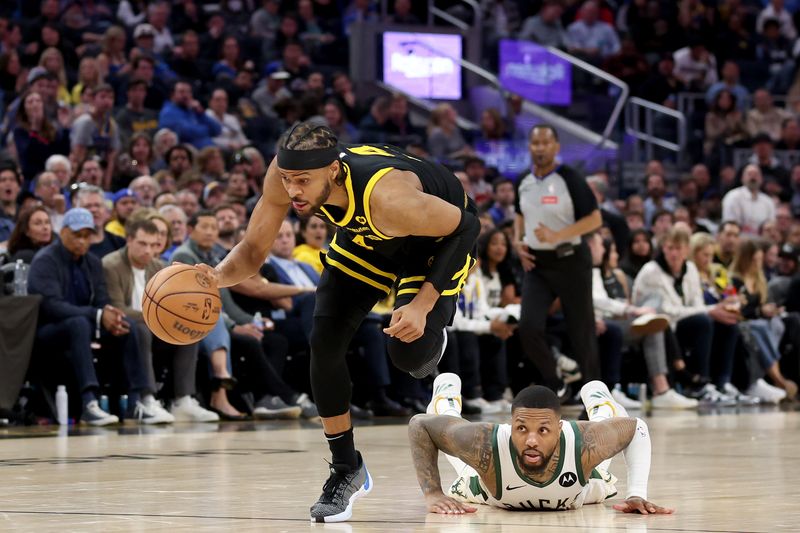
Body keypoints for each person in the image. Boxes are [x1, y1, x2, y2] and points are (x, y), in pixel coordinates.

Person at [195, 121, 480, 523]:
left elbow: (467, 228)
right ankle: (346, 468)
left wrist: (421, 305)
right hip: (369, 236)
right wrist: (215, 276)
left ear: (333, 171)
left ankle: (434, 337)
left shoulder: (390, 196)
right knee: (324, 341)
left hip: (435, 238)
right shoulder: (285, 177)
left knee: (411, 357)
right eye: (288, 179)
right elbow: (254, 248)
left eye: (303, 181)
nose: (293, 190)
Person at [408, 373, 673, 516]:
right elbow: (421, 424)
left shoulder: (581, 443)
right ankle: (446, 393)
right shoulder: (487, 445)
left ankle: (598, 397)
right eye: (521, 429)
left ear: (559, 429)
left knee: (609, 422)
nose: (531, 440)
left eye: (543, 430)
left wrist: (636, 493)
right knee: (450, 422)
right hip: (480, 485)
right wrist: (432, 494)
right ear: (511, 427)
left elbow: (636, 428)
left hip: (584, 488)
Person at [27, 208, 148, 426]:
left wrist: (110, 316)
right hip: (47, 331)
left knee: (128, 326)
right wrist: (98, 314)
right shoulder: (45, 260)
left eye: (87, 236)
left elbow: (101, 301)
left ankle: (135, 401)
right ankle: (89, 403)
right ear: (62, 232)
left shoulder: (92, 262)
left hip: (85, 323)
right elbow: (51, 306)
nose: (82, 241)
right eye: (77, 235)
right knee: (78, 323)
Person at [513, 125, 602, 398]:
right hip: (537, 265)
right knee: (528, 326)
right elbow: (520, 214)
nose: (540, 147)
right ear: (530, 147)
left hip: (571, 261)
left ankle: (595, 397)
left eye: (545, 143)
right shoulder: (523, 181)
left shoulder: (570, 178)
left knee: (581, 332)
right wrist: (518, 241)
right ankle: (553, 380)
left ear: (556, 147)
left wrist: (556, 235)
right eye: (535, 142)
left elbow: (594, 219)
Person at [102, 218, 218, 422]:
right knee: (142, 329)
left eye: (153, 245)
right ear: (128, 240)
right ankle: (146, 399)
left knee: (188, 329)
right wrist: (157, 317)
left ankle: (183, 400)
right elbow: (117, 308)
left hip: (153, 329)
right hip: (122, 332)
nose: (148, 250)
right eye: (142, 244)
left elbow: (175, 307)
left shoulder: (160, 267)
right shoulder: (111, 265)